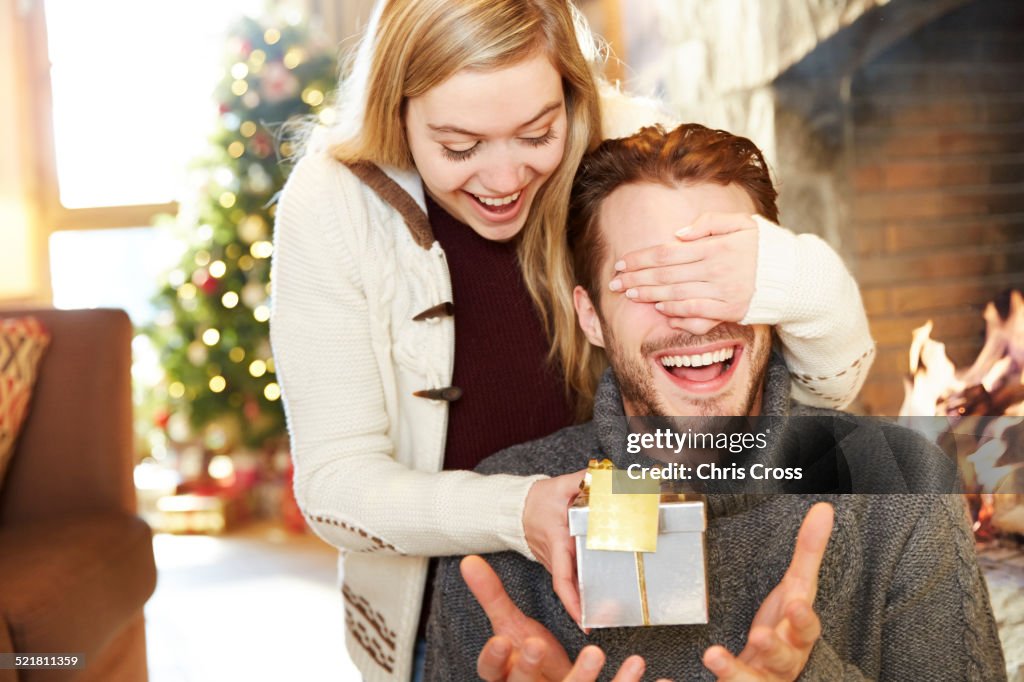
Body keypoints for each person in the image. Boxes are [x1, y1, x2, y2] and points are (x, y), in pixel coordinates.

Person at [269, 1, 877, 679]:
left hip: (650, 566)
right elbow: (334, 486)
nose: (503, 182)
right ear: (396, 115)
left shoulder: (634, 152)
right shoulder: (331, 207)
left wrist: (786, 271)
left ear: (571, 94)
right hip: (457, 607)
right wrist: (519, 509)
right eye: (459, 146)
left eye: (537, 133)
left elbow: (828, 386)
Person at [424, 124, 1006, 681]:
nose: (696, 315)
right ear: (591, 316)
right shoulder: (502, 521)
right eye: (647, 281)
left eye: (719, 276)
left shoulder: (900, 484)